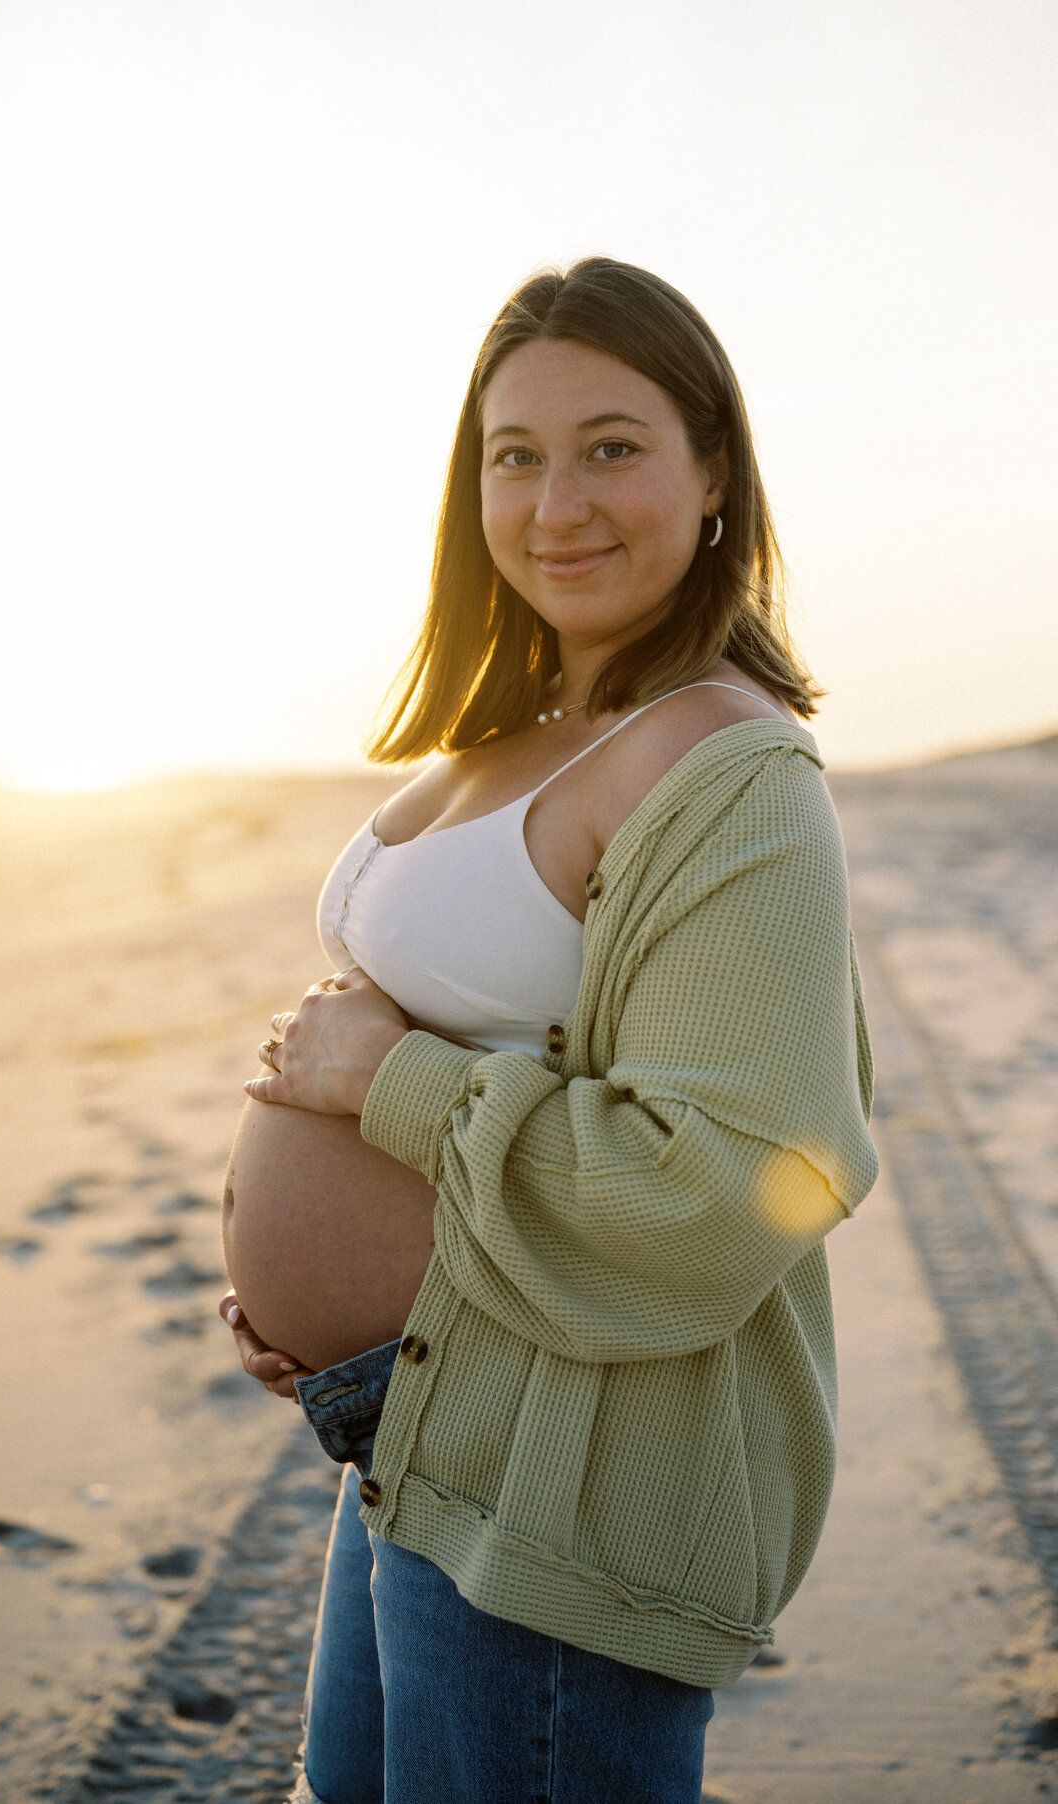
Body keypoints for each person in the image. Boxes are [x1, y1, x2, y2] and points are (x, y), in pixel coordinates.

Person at [218, 256, 878, 1804]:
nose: (557, 502)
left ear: (714, 471)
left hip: (572, 1466)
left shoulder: (732, 776)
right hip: (419, 1414)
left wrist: (388, 1087)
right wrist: (320, 1306)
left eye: (613, 446)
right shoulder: (519, 728)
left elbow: (736, 1181)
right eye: (515, 455)